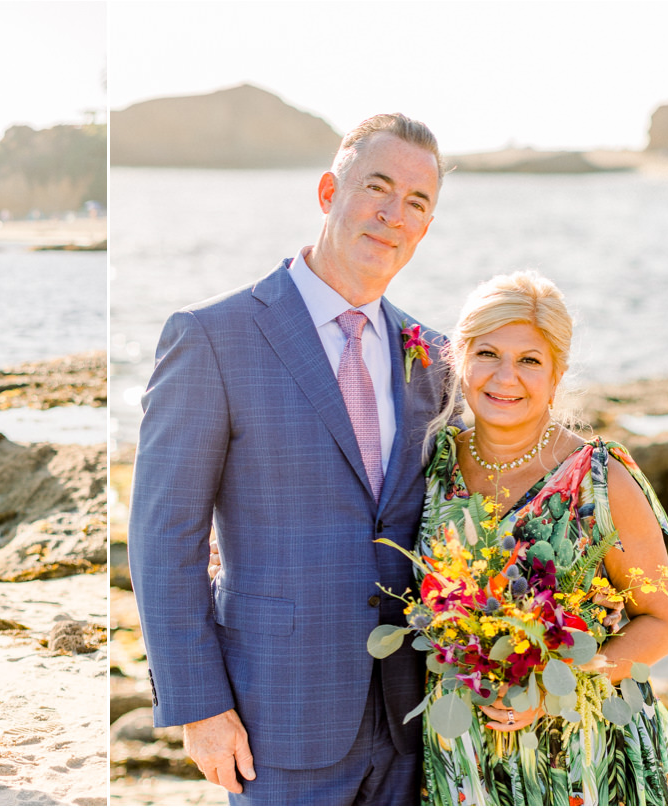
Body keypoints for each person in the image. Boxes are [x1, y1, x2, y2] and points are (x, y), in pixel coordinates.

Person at [128, 113, 454, 805]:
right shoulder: (212, 336)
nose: (393, 214)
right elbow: (164, 537)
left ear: (425, 226)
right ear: (328, 191)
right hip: (274, 714)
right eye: (377, 186)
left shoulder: (433, 355)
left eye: (416, 202)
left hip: (413, 716)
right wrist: (197, 706)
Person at [410, 271, 668, 805]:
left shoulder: (601, 479)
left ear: (557, 373)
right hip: (463, 756)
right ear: (457, 358)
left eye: (529, 360)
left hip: (584, 754)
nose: (505, 377)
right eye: (487, 353)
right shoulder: (430, 464)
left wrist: (551, 691)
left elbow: (665, 622)